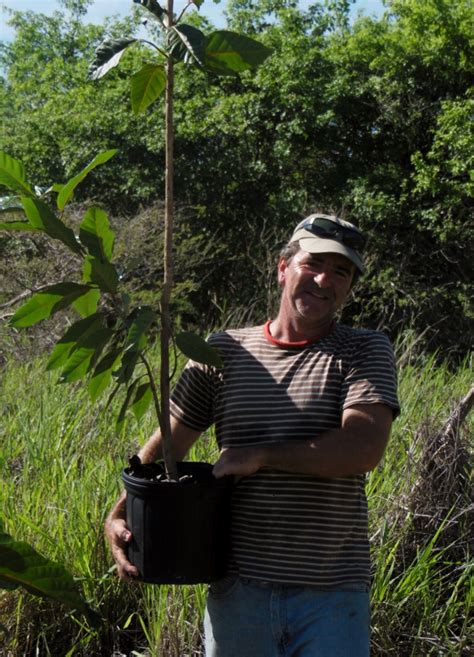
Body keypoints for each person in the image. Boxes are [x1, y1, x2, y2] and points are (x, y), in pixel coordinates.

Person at [105, 213, 400, 657]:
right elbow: (169, 443)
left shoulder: (363, 349)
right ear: (283, 267)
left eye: (341, 272)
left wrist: (260, 455)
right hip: (238, 589)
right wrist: (121, 511)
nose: (324, 280)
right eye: (312, 263)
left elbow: (362, 447)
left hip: (332, 593)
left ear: (350, 286)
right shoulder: (222, 351)